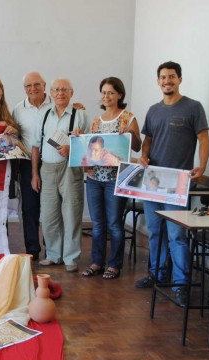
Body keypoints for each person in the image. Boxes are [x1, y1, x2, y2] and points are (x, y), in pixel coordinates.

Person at [134, 61, 209, 306]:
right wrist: (144, 156)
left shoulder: (193, 107)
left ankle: (181, 285)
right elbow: (148, 140)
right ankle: (157, 274)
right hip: (152, 181)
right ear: (158, 81)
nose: (167, 80)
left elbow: (204, 138)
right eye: (163, 77)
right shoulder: (153, 110)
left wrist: (203, 165)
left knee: (177, 235)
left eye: (172, 77)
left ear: (179, 79)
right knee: (155, 231)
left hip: (179, 182)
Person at [81, 77, 141, 280]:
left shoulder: (128, 118)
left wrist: (131, 134)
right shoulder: (96, 121)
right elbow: (90, 149)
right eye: (104, 92)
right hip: (94, 177)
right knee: (97, 223)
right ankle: (97, 262)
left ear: (120, 95)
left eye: (111, 93)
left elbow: (137, 147)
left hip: (116, 179)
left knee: (114, 223)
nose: (106, 96)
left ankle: (114, 264)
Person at [31, 78, 90, 273]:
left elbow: (89, 146)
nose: (60, 93)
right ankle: (53, 255)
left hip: (70, 169)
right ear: (51, 92)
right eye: (56, 90)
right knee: (48, 215)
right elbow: (36, 146)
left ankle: (71, 257)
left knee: (72, 213)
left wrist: (71, 147)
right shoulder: (44, 114)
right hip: (46, 168)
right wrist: (34, 174)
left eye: (64, 90)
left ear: (71, 93)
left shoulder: (80, 114)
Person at [11, 72, 52, 260]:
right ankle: (32, 249)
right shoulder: (18, 110)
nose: (33, 88)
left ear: (44, 85)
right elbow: (16, 137)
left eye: (36, 84)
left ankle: (51, 249)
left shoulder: (56, 105)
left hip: (53, 161)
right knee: (29, 207)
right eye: (28, 86)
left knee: (52, 207)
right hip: (28, 163)